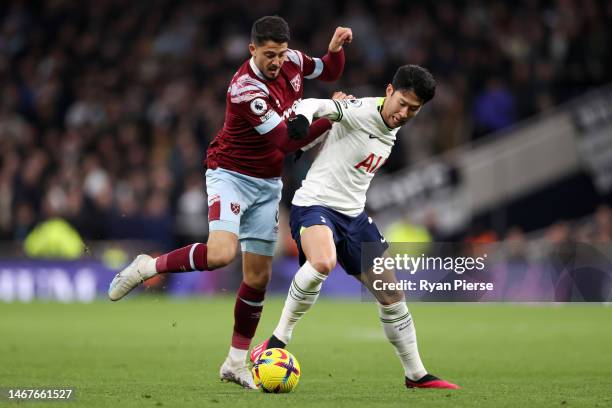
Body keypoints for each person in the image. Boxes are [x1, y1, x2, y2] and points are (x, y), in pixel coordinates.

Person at [108, 16, 352, 389]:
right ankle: (147, 266)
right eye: (269, 54)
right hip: (231, 175)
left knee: (258, 276)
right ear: (252, 49)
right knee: (221, 254)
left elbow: (328, 71)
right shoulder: (244, 89)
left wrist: (335, 51)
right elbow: (286, 142)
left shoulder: (292, 61)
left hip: (268, 184)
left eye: (281, 54)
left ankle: (236, 363)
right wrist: (331, 116)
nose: (276, 62)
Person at [250, 65, 460, 389]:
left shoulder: (393, 124)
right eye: (401, 102)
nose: (404, 113)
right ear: (389, 91)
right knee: (323, 262)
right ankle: (276, 341)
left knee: (392, 294)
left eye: (413, 109)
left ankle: (416, 374)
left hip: (355, 217)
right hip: (315, 205)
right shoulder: (360, 110)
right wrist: (304, 119)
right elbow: (315, 105)